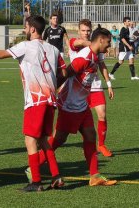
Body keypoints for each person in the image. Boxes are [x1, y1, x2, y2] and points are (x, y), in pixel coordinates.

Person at [0, 15, 67, 192]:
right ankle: (57, 177)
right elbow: (63, 73)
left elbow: (1, 54)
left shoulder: (26, 46)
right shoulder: (53, 49)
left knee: (30, 140)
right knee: (44, 140)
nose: (24, 30)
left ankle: (36, 182)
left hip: (35, 100)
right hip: (51, 100)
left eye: (26, 27)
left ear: (33, 29)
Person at [38, 25, 117, 186]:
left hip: (82, 105)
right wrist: (51, 94)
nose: (110, 45)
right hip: (70, 106)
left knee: (90, 136)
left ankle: (94, 176)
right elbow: (65, 73)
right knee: (59, 140)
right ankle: (33, 167)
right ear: (100, 40)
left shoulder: (95, 56)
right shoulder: (85, 58)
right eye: (108, 42)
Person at [68, 20, 114, 157]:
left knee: (102, 114)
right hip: (78, 88)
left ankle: (101, 145)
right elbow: (80, 43)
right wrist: (96, 42)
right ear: (78, 31)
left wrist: (109, 84)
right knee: (74, 124)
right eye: (83, 30)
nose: (86, 33)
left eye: (88, 30)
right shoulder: (74, 43)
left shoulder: (97, 46)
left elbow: (102, 65)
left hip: (95, 85)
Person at [109, 16, 139, 80]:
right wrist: (129, 46)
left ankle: (133, 76)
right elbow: (123, 39)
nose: (129, 22)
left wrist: (132, 38)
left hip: (127, 47)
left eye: (130, 21)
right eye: (128, 21)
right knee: (120, 61)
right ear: (124, 22)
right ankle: (111, 74)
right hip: (123, 47)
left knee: (131, 60)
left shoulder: (127, 29)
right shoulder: (123, 29)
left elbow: (127, 38)